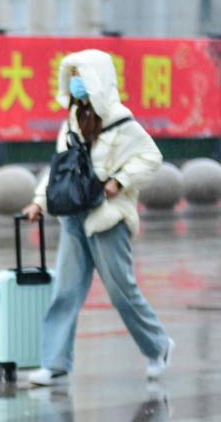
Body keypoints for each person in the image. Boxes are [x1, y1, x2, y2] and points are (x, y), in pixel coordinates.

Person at [24, 49, 174, 386]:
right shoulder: (72, 119)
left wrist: (119, 182)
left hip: (107, 220)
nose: (76, 83)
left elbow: (150, 157)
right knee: (65, 291)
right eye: (72, 75)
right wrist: (38, 202)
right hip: (73, 217)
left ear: (98, 78)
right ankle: (55, 364)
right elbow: (60, 169)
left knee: (122, 293)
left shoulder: (121, 122)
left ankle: (158, 346)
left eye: (82, 75)